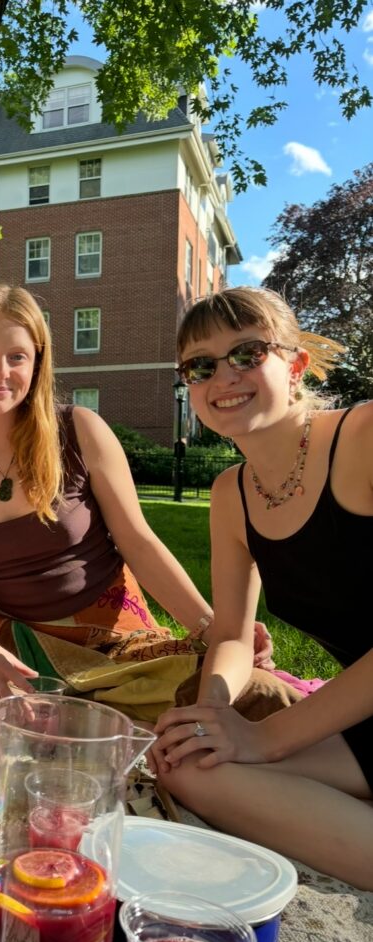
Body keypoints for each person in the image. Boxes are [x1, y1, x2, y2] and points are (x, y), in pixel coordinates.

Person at [0, 283, 284, 729]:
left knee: (244, 698)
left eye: (17, 356)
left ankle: (47, 719)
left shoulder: (79, 430)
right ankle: (80, 718)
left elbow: (138, 543)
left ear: (38, 362)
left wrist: (211, 628)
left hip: (118, 648)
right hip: (15, 647)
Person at [152, 286, 373, 890]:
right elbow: (228, 631)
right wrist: (212, 716)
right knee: (190, 768)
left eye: (247, 353)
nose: (224, 375)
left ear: (294, 364)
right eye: (201, 365)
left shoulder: (363, 438)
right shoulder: (232, 494)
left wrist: (266, 739)